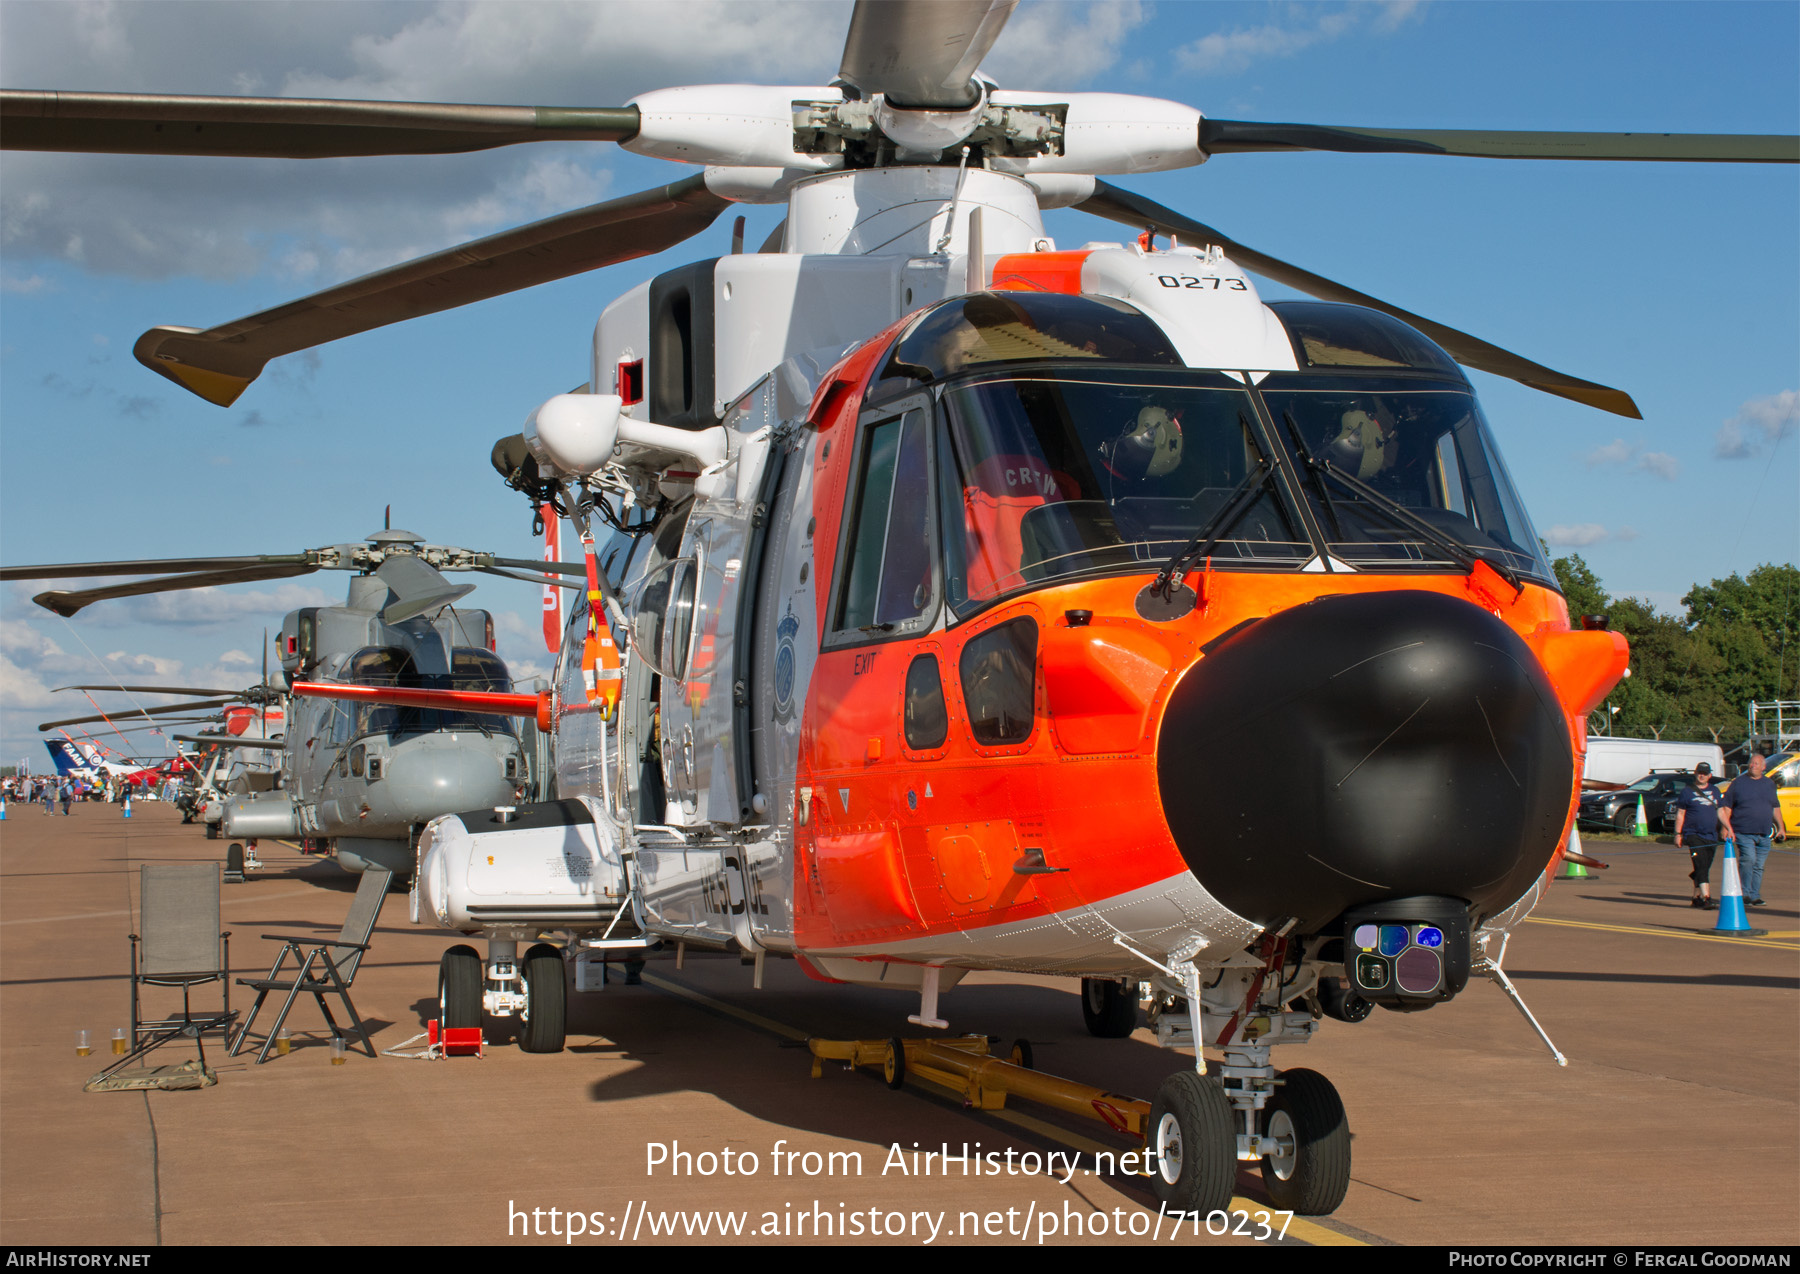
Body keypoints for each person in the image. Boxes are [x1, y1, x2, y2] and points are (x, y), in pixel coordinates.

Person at [1720, 752, 1787, 906]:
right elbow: (1727, 806)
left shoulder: (1769, 784)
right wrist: (1726, 827)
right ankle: (1744, 893)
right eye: (1751, 763)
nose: (1752, 766)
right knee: (1748, 860)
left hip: (1764, 833)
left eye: (1756, 764)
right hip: (1743, 832)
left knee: (1759, 866)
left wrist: (1780, 828)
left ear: (1763, 767)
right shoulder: (1738, 783)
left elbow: (1775, 807)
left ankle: (1755, 895)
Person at [1673, 763, 1724, 908]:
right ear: (1695, 774)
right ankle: (1706, 897)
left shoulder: (1715, 790)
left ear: (1710, 775)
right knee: (1701, 864)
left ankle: (1696, 897)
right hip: (1693, 834)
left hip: (1711, 835)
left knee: (1703, 867)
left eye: (1705, 773)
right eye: (1699, 773)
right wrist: (1678, 834)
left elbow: (1720, 811)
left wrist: (1727, 828)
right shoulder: (1687, 792)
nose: (1702, 775)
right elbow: (1681, 814)